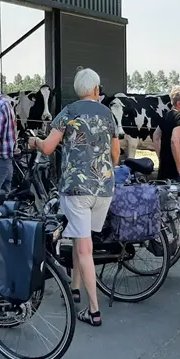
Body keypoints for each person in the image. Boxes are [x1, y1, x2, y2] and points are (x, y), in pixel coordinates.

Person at [29, 68, 120, 327]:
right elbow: (116, 154)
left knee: (84, 247)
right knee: (84, 241)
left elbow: (48, 147)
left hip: (77, 189)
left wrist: (34, 141)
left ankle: (93, 310)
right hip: (104, 189)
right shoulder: (108, 114)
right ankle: (76, 287)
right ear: (95, 89)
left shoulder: (68, 112)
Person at [151, 85, 180, 257]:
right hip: (179, 172)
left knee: (167, 210)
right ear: (179, 103)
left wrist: (162, 157)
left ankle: (170, 244)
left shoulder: (166, 116)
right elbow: (174, 139)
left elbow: (156, 136)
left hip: (165, 170)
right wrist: (179, 165)